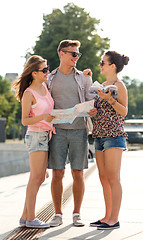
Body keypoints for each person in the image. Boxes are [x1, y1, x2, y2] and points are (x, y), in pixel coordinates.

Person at [47, 40, 97, 227]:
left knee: (77, 173)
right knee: (57, 173)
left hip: (79, 131)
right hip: (57, 131)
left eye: (78, 54)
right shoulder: (49, 78)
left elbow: (92, 100)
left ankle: (77, 214)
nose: (76, 57)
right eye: (73, 54)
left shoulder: (84, 77)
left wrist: (93, 109)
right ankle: (58, 214)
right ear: (62, 53)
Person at [13, 55, 55, 228]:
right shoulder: (28, 94)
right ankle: (31, 218)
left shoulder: (45, 86)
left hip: (45, 134)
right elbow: (24, 121)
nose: (48, 72)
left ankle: (25, 217)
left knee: (40, 177)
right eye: (44, 70)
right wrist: (43, 117)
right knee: (36, 177)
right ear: (34, 73)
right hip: (36, 136)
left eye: (47, 68)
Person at [90, 51, 129, 230]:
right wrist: (93, 111)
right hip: (99, 134)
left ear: (113, 66)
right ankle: (107, 216)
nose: (101, 65)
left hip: (114, 135)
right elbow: (100, 110)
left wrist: (109, 100)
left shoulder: (119, 86)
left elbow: (124, 112)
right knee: (103, 177)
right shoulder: (102, 85)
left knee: (113, 178)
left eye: (103, 62)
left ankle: (114, 219)